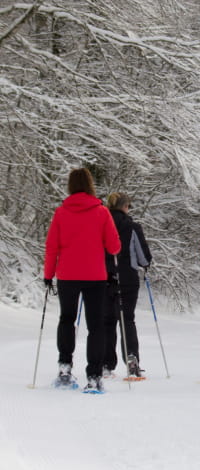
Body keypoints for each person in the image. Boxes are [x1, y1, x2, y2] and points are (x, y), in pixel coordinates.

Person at [44, 167, 121, 393]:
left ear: (70, 186)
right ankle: (95, 376)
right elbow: (114, 246)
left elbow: (52, 247)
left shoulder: (61, 212)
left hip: (67, 275)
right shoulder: (102, 212)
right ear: (90, 185)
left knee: (67, 319)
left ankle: (65, 368)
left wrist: (48, 274)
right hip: (95, 276)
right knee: (95, 326)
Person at [104, 192, 152, 379]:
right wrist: (145, 263)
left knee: (107, 321)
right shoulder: (132, 227)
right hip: (127, 279)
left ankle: (106, 364)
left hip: (105, 278)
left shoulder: (101, 224)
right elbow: (143, 258)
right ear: (125, 207)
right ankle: (131, 359)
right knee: (127, 320)